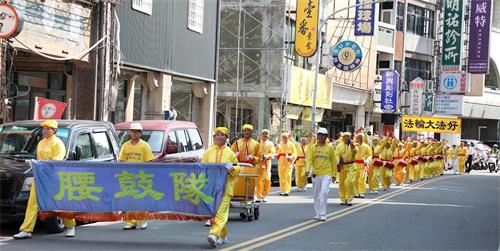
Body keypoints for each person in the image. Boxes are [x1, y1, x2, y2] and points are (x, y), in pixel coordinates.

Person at [13, 120, 77, 239]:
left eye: (48, 128)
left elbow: (57, 161)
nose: (45, 131)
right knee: (32, 203)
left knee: (60, 202)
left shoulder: (58, 143)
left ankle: (70, 226)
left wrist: (39, 164)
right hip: (40, 177)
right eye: (44, 128)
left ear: (54, 130)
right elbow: (39, 159)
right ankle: (26, 229)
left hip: (53, 178)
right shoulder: (41, 143)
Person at [118, 123, 166, 230]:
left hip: (141, 177)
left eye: (137, 131)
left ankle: (143, 219)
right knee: (129, 199)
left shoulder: (145, 146)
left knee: (141, 199)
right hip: (129, 177)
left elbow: (149, 161)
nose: (134, 133)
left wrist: (160, 158)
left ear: (140, 133)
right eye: (132, 131)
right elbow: (121, 161)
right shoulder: (125, 146)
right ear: (130, 133)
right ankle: (130, 222)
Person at [203, 127, 240, 248]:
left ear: (226, 137)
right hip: (212, 187)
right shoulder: (208, 151)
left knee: (221, 212)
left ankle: (213, 234)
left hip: (225, 188)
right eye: (217, 135)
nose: (219, 137)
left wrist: (232, 169)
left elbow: (237, 169)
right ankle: (223, 235)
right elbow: (202, 168)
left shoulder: (230, 153)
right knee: (215, 212)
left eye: (222, 135)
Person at [306, 128, 337, 221]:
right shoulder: (313, 147)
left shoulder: (330, 147)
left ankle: (323, 213)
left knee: (323, 193)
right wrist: (307, 170)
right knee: (316, 194)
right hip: (316, 173)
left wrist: (334, 174)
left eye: (323, 135)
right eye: (320, 135)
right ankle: (317, 213)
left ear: (326, 137)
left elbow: (333, 161)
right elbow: (309, 159)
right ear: (317, 136)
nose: (321, 137)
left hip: (326, 173)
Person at [336, 132, 357, 206]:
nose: (346, 138)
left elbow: (355, 152)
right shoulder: (339, 146)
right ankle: (343, 198)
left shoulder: (353, 145)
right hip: (342, 166)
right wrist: (338, 160)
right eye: (345, 136)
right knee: (341, 183)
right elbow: (336, 154)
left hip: (351, 165)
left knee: (350, 182)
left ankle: (349, 198)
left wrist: (352, 148)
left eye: (348, 136)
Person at [256, 129, 275, 202]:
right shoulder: (257, 143)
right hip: (258, 164)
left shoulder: (270, 144)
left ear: (269, 136)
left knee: (267, 180)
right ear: (261, 135)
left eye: (266, 134)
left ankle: (265, 195)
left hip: (267, 164)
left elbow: (272, 153)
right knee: (258, 180)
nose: (265, 135)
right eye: (264, 133)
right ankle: (258, 195)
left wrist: (268, 156)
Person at [353, 133, 372, 198]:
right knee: (355, 179)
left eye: (361, 138)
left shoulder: (366, 146)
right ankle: (355, 192)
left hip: (363, 165)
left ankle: (361, 192)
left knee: (362, 179)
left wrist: (367, 160)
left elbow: (369, 155)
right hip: (355, 165)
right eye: (358, 137)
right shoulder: (354, 146)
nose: (360, 139)